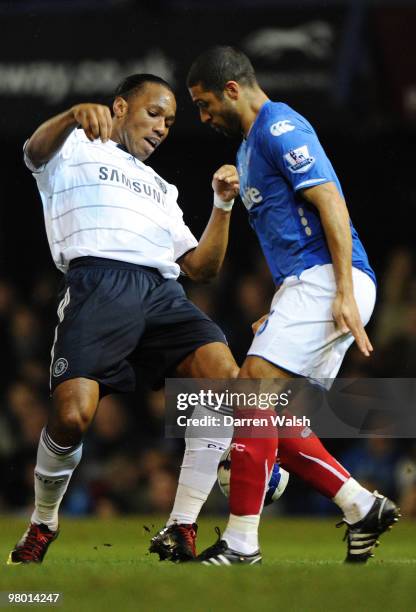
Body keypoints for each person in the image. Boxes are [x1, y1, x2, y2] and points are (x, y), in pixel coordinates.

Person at [150, 47, 400, 566]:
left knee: (251, 391)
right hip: (307, 286)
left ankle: (241, 543)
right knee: (275, 422)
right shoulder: (246, 149)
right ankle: (362, 506)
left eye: (203, 104)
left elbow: (329, 199)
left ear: (233, 89)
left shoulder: (279, 127)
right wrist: (284, 302)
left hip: (332, 280)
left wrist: (344, 292)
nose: (202, 117)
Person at [7, 73, 240, 564]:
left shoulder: (163, 188)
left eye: (171, 122)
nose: (162, 128)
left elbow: (201, 267)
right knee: (72, 417)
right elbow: (32, 151)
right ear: (119, 107)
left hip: (161, 291)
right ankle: (43, 522)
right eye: (154, 113)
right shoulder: (72, 148)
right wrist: (72, 114)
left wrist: (221, 206)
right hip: (97, 284)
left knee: (223, 375)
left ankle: (181, 525)